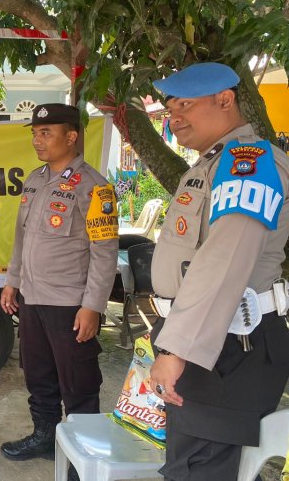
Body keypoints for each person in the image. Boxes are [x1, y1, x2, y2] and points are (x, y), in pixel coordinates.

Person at [148, 62, 289, 480]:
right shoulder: (213, 164)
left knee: (198, 470)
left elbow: (225, 259)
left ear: (225, 99)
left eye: (185, 105)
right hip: (209, 339)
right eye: (170, 110)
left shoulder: (249, 162)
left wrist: (178, 350)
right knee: (188, 461)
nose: (175, 119)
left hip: (229, 346)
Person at [0, 103, 119, 462]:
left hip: (70, 304)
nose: (38, 140)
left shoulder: (95, 188)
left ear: (72, 136)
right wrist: (12, 281)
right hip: (33, 300)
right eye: (35, 133)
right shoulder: (34, 181)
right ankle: (45, 438)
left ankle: (85, 455)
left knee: (79, 383)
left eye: (46, 133)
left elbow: (105, 251)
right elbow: (21, 239)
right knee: (38, 376)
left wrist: (93, 306)